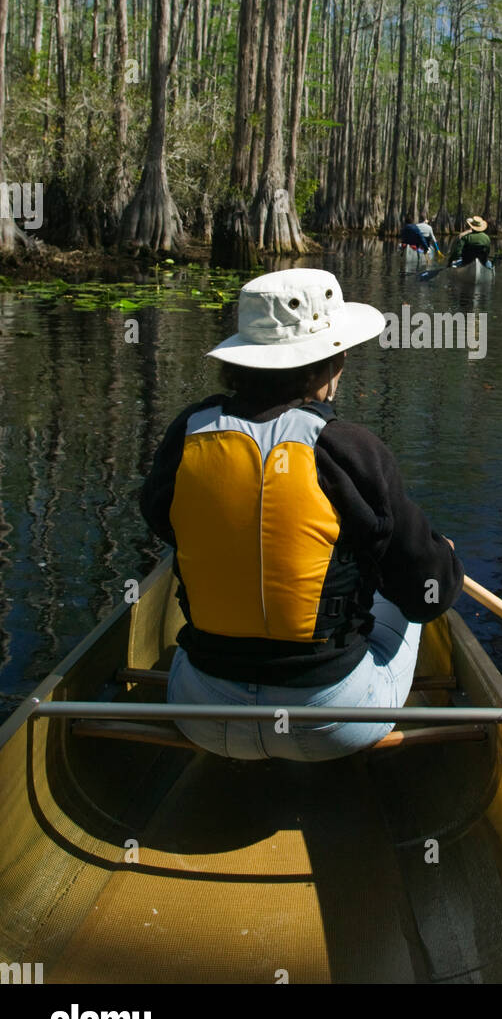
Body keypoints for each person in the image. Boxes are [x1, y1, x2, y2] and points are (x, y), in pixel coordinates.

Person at [139, 268, 463, 762]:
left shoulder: (187, 431)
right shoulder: (350, 449)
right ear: (326, 364)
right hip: (332, 723)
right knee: (415, 587)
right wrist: (443, 563)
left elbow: (163, 521)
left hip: (203, 712)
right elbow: (424, 599)